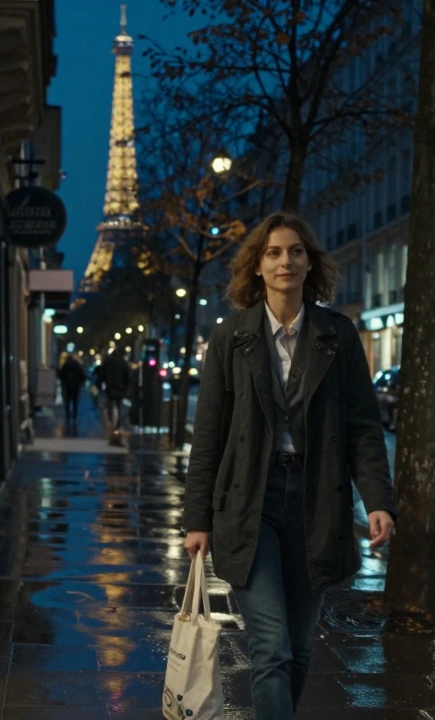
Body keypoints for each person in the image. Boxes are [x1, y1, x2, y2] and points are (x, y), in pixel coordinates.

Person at [183, 212, 396, 720]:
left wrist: (378, 501)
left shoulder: (337, 336)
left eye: (295, 251)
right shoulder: (231, 338)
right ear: (257, 267)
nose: (286, 261)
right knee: (272, 646)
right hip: (249, 502)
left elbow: (363, 426)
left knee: (299, 648)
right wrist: (197, 519)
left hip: (317, 499)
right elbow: (208, 433)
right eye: (274, 253)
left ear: (309, 262)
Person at [101, 347, 132, 442]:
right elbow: (127, 375)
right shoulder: (122, 362)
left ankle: (111, 421)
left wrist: (105, 382)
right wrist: (126, 387)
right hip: (120, 387)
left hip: (110, 386)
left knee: (110, 404)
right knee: (119, 406)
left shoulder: (108, 361)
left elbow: (103, 373)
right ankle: (118, 424)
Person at [58, 354, 87, 423]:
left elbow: (61, 375)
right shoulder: (77, 365)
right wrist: (82, 381)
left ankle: (68, 414)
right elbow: (81, 374)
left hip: (67, 385)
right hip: (76, 385)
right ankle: (74, 414)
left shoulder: (65, 365)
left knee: (68, 400)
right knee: (75, 401)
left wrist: (63, 382)